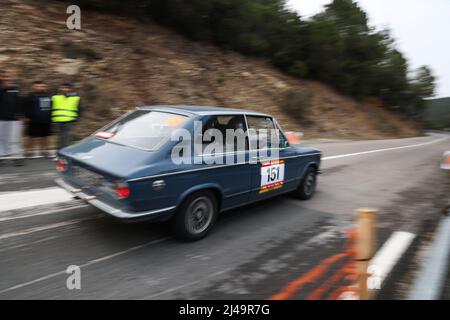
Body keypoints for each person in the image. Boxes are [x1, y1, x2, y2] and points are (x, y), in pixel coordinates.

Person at [0, 70, 24, 166]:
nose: (4, 78)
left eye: (6, 76)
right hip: (1, 117)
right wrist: (3, 88)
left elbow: (19, 101)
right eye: (2, 76)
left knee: (14, 138)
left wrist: (21, 115)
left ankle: (16, 157)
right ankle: (1, 156)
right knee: (1, 138)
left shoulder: (14, 88)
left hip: (14, 118)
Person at [24, 81, 52, 157]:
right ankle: (29, 150)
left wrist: (51, 117)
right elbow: (26, 108)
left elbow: (51, 108)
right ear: (33, 87)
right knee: (31, 136)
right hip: (33, 120)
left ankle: (44, 150)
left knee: (45, 136)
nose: (40, 88)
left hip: (46, 120)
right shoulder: (29, 96)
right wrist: (26, 117)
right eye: (37, 86)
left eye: (42, 86)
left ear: (45, 87)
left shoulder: (48, 96)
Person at [51, 83, 80, 149]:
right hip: (57, 120)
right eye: (62, 87)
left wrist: (77, 118)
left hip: (69, 120)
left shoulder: (75, 98)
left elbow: (80, 108)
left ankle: (66, 150)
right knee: (59, 137)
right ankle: (59, 150)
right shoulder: (54, 97)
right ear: (59, 88)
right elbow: (50, 107)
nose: (64, 89)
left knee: (67, 137)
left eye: (66, 88)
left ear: (70, 89)